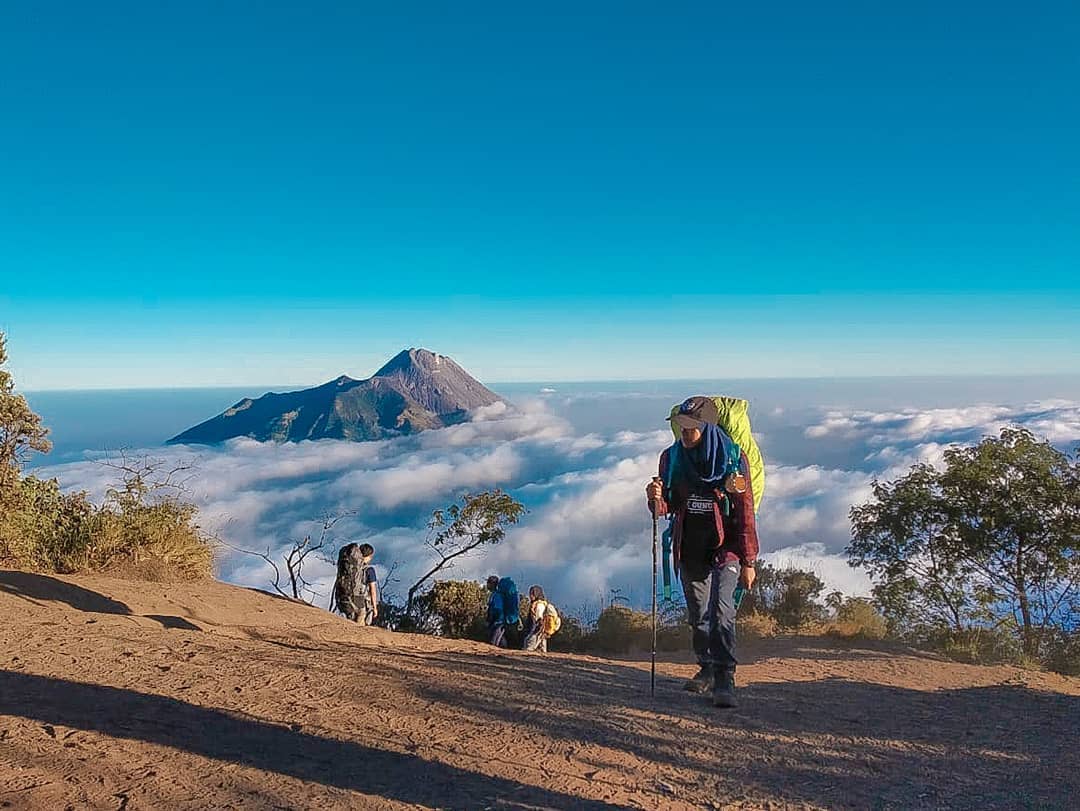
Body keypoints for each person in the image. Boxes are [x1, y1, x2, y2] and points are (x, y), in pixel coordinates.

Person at [646, 396, 759, 708]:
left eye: (692, 427)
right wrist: (655, 499)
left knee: (722, 613)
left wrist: (749, 560)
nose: (685, 432)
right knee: (699, 616)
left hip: (727, 550)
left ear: (708, 427)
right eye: (682, 426)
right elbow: (667, 505)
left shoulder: (733, 460)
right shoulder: (672, 460)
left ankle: (725, 678)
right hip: (690, 547)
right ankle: (707, 668)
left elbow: (744, 512)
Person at [334, 542, 379, 626]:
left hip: (343, 595)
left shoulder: (351, 565)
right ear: (369, 556)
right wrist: (375, 607)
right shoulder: (369, 570)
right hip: (359, 599)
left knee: (349, 620)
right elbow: (372, 590)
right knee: (359, 623)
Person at [522, 585, 551, 653]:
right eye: (530, 593)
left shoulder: (539, 605)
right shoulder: (537, 604)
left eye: (532, 594)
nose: (530, 596)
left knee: (528, 648)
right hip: (540, 631)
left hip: (536, 630)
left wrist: (535, 631)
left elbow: (539, 619)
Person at [486, 574, 509, 647]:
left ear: (492, 584)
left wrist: (491, 619)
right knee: (500, 641)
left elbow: (497, 609)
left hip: (498, 622)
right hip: (499, 622)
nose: (487, 585)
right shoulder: (495, 594)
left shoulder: (496, 595)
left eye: (488, 583)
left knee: (494, 643)